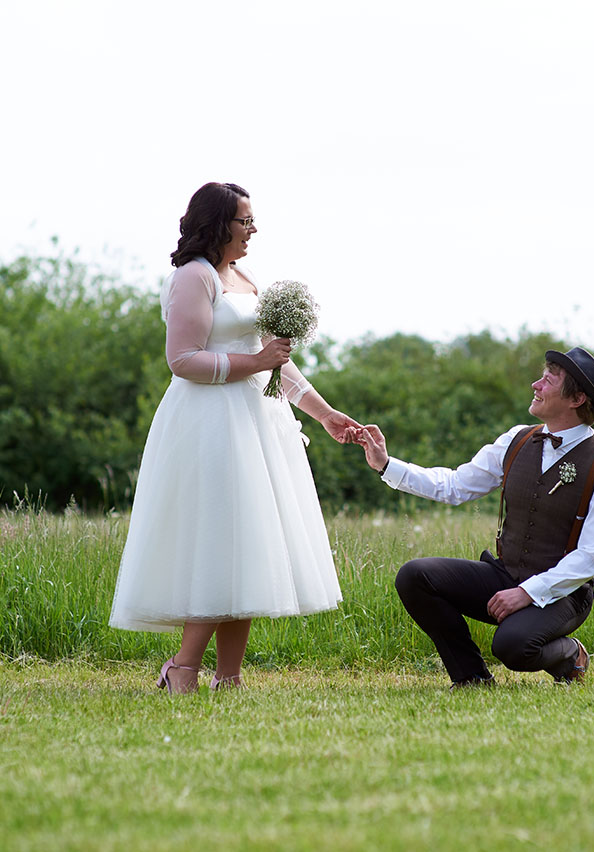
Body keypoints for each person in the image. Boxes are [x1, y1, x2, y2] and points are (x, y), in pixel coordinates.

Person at [109, 182, 361, 693]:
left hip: (257, 424)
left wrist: (324, 413)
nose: (253, 229)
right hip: (208, 424)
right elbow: (183, 360)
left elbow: (277, 366)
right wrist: (255, 362)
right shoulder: (193, 278)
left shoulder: (244, 277)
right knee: (217, 539)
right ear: (219, 223)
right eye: (244, 220)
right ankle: (182, 666)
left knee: (247, 540)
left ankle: (229, 676)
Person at [354, 348, 594, 688]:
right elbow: (454, 485)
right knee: (415, 576)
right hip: (505, 575)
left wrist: (528, 592)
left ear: (577, 398)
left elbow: (592, 557)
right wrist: (386, 464)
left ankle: (570, 654)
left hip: (563, 595)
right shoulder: (516, 440)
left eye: (547, 380)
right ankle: (471, 677)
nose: (536, 384)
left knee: (512, 646)